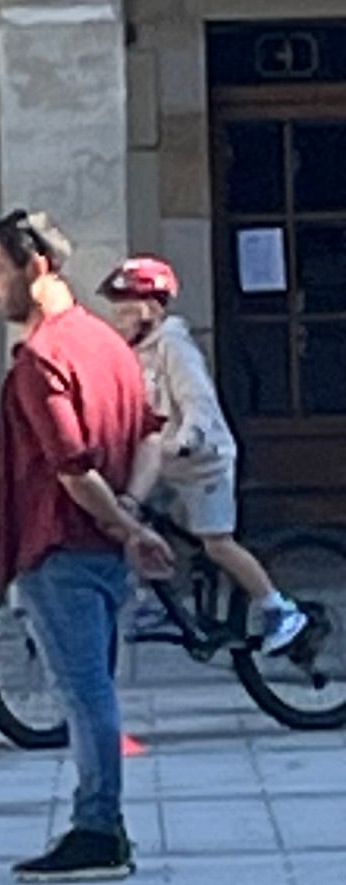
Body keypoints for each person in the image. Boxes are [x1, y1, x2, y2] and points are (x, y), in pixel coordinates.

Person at [0, 210, 174, 882]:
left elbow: (72, 468)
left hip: (58, 546)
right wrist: (132, 512)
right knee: (95, 689)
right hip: (102, 554)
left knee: (84, 693)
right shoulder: (107, 345)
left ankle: (98, 828)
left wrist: (127, 526)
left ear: (36, 267)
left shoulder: (42, 360)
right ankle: (99, 824)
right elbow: (150, 434)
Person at [98, 255, 305, 653]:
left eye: (125, 310)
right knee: (129, 515)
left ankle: (278, 608)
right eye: (116, 310)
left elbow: (198, 402)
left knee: (216, 543)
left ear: (151, 310)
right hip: (165, 462)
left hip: (204, 461)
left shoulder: (174, 346)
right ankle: (152, 600)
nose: (118, 319)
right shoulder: (135, 352)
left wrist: (188, 439)